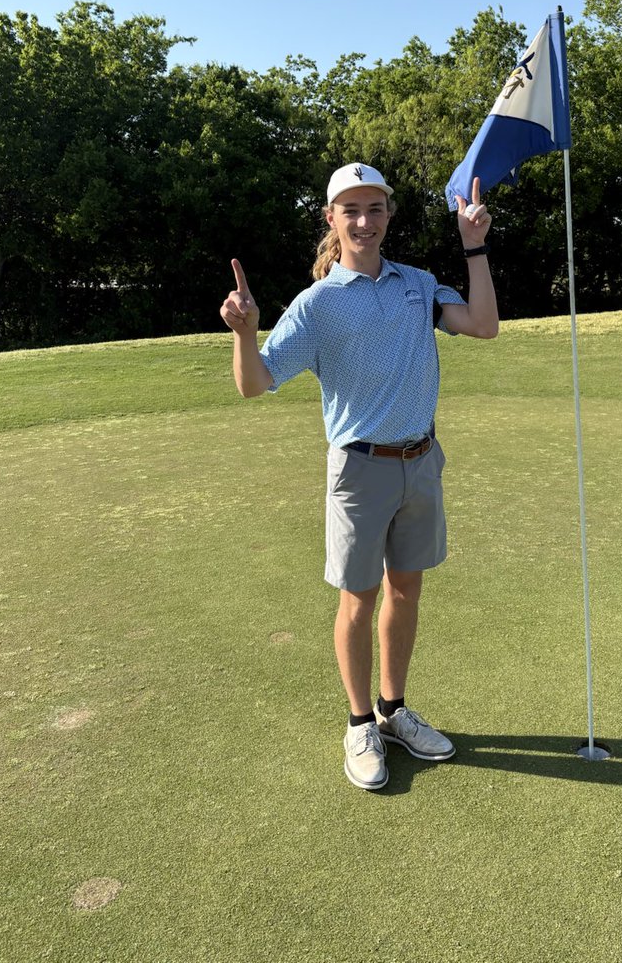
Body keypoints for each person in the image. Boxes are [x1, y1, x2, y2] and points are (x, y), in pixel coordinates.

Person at [219, 163, 498, 790]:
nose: (364, 221)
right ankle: (358, 724)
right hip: (359, 469)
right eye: (351, 210)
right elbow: (254, 384)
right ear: (332, 220)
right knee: (358, 598)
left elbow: (482, 324)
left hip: (421, 462)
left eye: (375, 209)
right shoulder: (315, 307)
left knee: (406, 591)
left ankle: (394, 711)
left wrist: (473, 245)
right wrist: (244, 334)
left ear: (388, 215)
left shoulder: (418, 285)